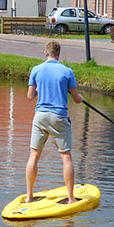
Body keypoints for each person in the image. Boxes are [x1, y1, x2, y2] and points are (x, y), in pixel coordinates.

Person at [25, 40, 83, 204]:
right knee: (66, 157)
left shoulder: (36, 70)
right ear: (59, 54)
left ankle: (29, 196)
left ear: (46, 54)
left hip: (40, 116)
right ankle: (71, 198)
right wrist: (81, 98)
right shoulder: (67, 71)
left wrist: (37, 90)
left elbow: (30, 97)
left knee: (34, 155)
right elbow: (77, 99)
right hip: (58, 116)